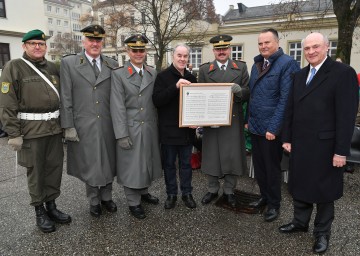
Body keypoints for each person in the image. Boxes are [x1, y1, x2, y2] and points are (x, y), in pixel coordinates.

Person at [279, 32, 358, 254]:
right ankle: (300, 222)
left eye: (316, 47)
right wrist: (286, 137)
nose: (311, 52)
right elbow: (290, 110)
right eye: (307, 48)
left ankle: (322, 233)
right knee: (300, 184)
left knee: (324, 192)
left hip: (326, 146)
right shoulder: (299, 75)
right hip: (300, 144)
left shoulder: (343, 73)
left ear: (326, 48)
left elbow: (346, 116)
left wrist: (341, 152)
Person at [0, 29, 71, 233]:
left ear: (45, 47)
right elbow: (6, 103)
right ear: (24, 46)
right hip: (31, 132)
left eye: (41, 44)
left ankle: (52, 206)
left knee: (54, 170)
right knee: (36, 172)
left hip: (53, 129)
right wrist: (13, 133)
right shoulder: (14, 67)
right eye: (32, 44)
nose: (37, 47)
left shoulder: (51, 67)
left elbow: (63, 98)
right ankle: (39, 211)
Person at [60, 25, 118, 218]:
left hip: (108, 123)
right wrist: (68, 125)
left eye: (98, 40)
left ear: (102, 42)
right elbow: (66, 97)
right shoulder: (69, 63)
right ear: (83, 41)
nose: (95, 43)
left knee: (109, 160)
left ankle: (107, 197)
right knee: (91, 163)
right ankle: (94, 200)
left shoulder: (112, 64)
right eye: (91, 40)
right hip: (84, 123)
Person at [246, 28, 300, 222]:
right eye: (260, 43)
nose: (263, 46)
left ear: (277, 42)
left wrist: (274, 128)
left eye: (267, 42)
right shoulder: (257, 64)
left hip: (270, 130)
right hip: (255, 126)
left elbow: (286, 100)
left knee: (272, 169)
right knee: (259, 167)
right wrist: (247, 120)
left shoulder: (288, 64)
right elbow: (253, 96)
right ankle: (264, 197)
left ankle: (274, 205)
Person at [110, 35, 162, 219]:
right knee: (131, 165)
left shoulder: (152, 72)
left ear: (145, 52)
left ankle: (143, 192)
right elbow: (117, 106)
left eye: (141, 50)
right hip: (130, 127)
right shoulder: (118, 74)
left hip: (149, 126)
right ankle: (133, 201)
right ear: (128, 52)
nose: (138, 53)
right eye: (134, 50)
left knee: (146, 162)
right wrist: (121, 134)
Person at [198, 35, 250, 208]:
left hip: (232, 119)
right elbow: (200, 95)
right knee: (212, 155)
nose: (221, 52)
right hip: (212, 119)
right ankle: (212, 189)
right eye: (218, 49)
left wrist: (240, 91)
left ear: (229, 50)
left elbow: (248, 91)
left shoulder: (241, 67)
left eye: (225, 48)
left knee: (231, 155)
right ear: (213, 51)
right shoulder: (205, 70)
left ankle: (229, 190)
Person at [153, 43, 197, 210]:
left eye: (185, 56)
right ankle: (171, 194)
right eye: (179, 55)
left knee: (186, 165)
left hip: (187, 132)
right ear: (173, 56)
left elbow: (197, 103)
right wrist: (175, 86)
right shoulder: (162, 77)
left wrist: (197, 121)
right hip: (169, 131)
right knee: (169, 165)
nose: (182, 59)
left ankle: (187, 193)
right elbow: (157, 100)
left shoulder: (192, 78)